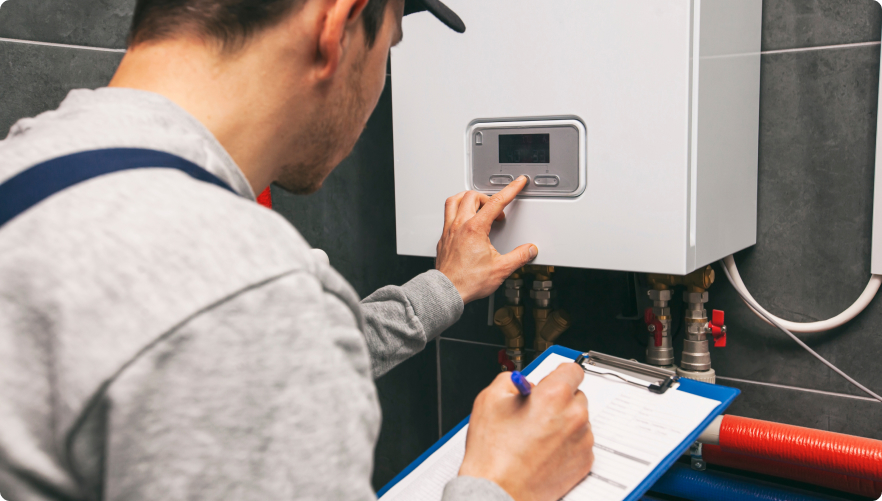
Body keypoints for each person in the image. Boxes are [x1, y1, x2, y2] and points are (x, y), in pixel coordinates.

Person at [0, 0, 594, 500]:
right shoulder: (248, 295)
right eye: (389, 45)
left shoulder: (32, 166)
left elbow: (223, 362)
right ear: (337, 25)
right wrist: (503, 484)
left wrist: (445, 287)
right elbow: (244, 334)